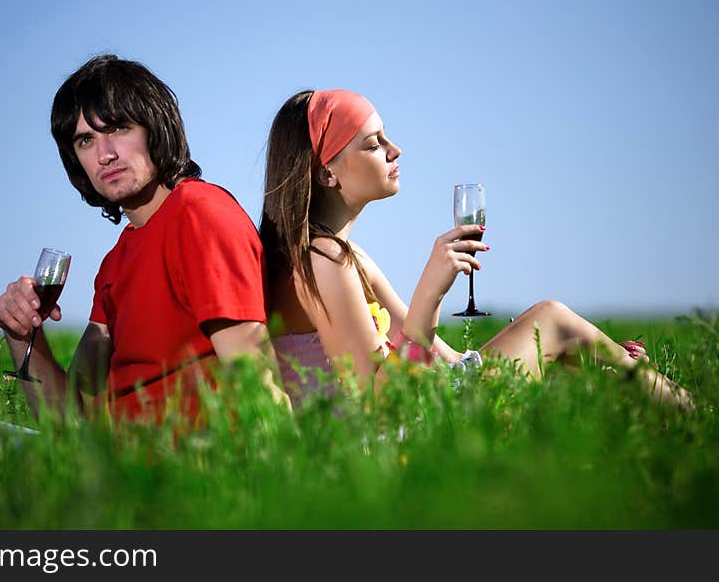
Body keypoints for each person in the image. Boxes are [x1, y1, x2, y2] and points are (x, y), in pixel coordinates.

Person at [259, 89, 693, 412]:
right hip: (396, 442)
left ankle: (670, 409)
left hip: (417, 410)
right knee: (553, 320)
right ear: (327, 174)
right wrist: (430, 295)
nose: (396, 150)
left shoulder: (341, 257)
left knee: (563, 343)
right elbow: (378, 404)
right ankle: (695, 418)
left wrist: (591, 350)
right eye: (374, 144)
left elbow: (439, 358)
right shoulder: (323, 263)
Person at [0, 54, 289, 425]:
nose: (105, 154)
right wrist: (21, 336)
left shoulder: (200, 216)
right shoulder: (116, 262)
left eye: (119, 128)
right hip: (115, 469)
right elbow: (67, 424)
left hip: (189, 471)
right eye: (86, 140)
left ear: (155, 126)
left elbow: (256, 382)